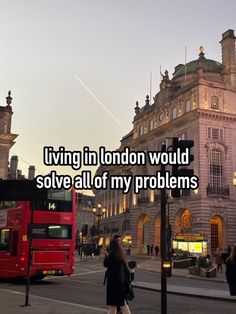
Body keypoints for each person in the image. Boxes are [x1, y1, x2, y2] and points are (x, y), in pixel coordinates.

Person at [104, 239, 132, 314]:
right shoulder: (120, 255)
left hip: (113, 284)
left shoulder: (111, 255)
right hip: (120, 284)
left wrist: (106, 255)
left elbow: (106, 264)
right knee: (118, 305)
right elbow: (126, 270)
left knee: (116, 305)